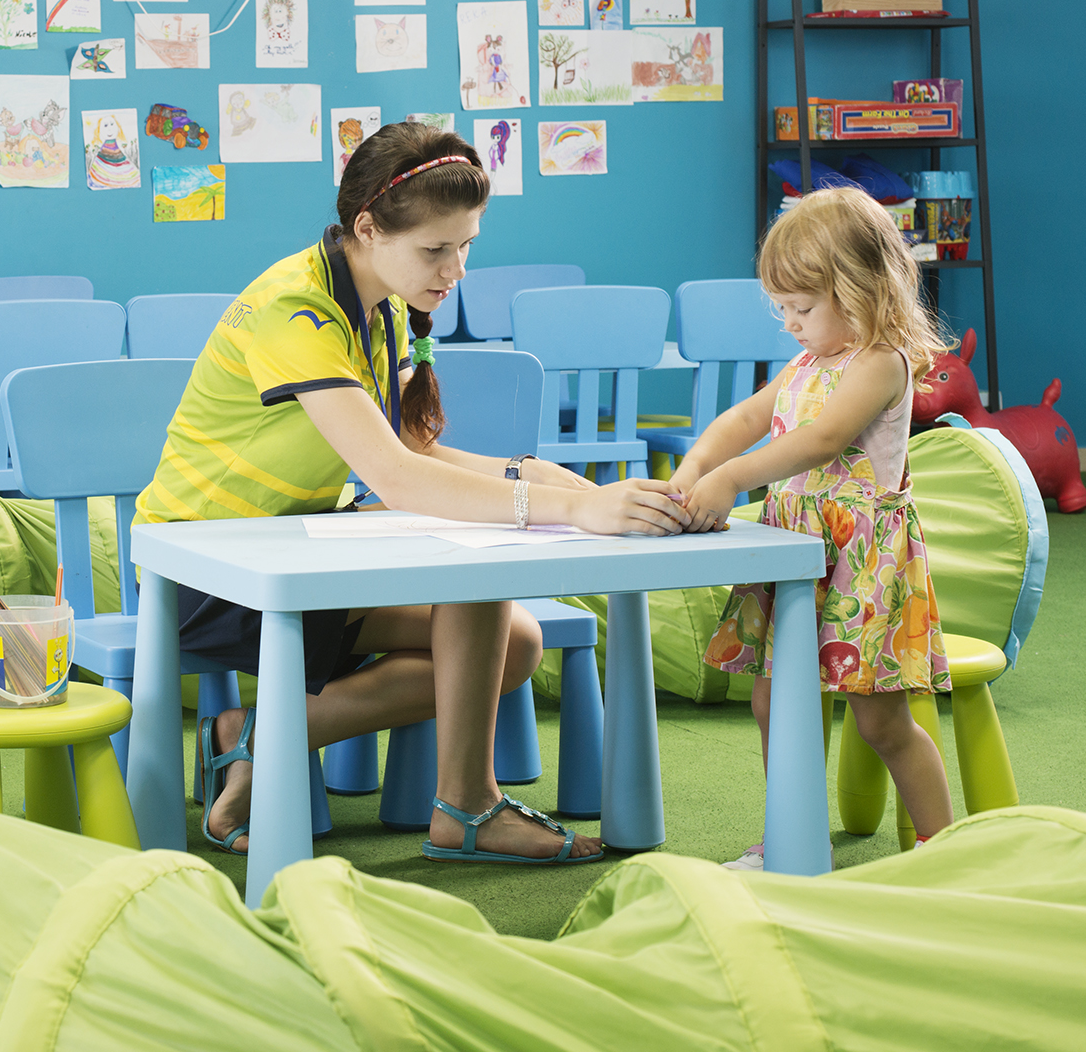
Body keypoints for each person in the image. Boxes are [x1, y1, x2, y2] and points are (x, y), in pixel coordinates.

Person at [135, 123, 689, 865]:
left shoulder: (385, 302)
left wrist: (535, 476)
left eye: (465, 246)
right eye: (435, 250)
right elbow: (395, 477)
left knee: (515, 643)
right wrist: (573, 509)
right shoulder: (293, 310)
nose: (455, 269)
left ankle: (264, 742)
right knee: (487, 601)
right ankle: (456, 804)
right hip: (207, 568)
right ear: (367, 228)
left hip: (296, 546)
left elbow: (414, 450)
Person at [671, 185, 954, 870]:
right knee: (773, 703)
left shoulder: (879, 362)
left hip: (859, 563)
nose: (791, 325)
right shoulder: (805, 363)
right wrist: (698, 464)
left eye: (802, 308)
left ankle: (942, 848)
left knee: (881, 720)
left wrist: (732, 479)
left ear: (858, 291)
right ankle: (793, 836)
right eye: (782, 310)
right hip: (796, 555)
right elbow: (746, 418)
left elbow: (823, 439)